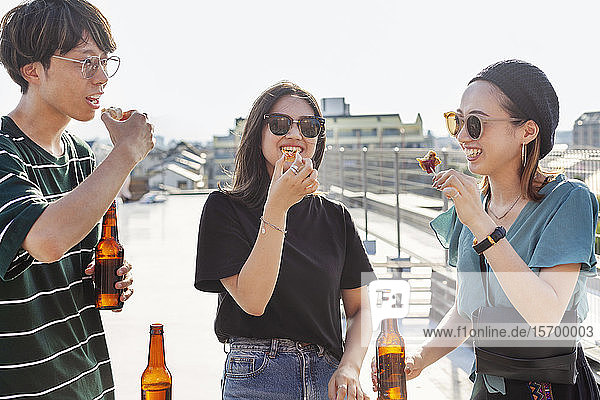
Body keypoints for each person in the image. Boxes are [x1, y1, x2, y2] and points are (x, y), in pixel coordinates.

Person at [372, 60, 600, 399]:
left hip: (552, 388)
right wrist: (422, 357)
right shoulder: (476, 205)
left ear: (528, 131)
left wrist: (480, 223)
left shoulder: (568, 201)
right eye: (457, 121)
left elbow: (546, 316)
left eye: (476, 123)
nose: (463, 136)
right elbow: (468, 308)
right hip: (489, 386)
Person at [0, 0, 154, 398]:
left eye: (105, 62)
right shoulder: (3, 150)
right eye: (86, 63)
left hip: (88, 379)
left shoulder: (81, 155)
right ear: (32, 70)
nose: (102, 77)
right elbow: (46, 240)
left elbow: (74, 264)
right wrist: (126, 153)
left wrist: (109, 282)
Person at [195, 81, 377, 400]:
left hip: (328, 374)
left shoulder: (336, 217)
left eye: (309, 126)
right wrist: (277, 206)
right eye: (280, 124)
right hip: (258, 374)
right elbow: (253, 301)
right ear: (258, 133)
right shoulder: (224, 208)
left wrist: (350, 367)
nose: (295, 135)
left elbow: (360, 309)